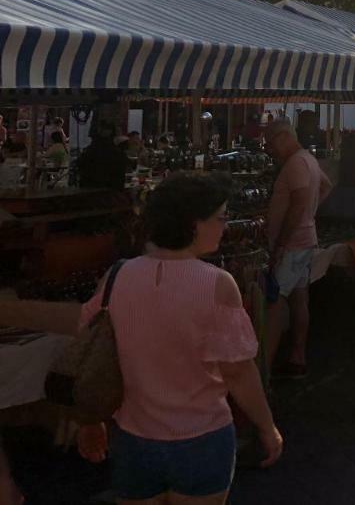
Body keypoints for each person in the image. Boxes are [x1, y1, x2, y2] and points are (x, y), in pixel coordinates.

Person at [0, 173, 283, 503]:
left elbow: (87, 334)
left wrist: (92, 420)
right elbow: (238, 371)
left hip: (135, 440)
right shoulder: (216, 284)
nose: (225, 225)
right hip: (200, 439)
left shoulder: (120, 274)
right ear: (194, 223)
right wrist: (267, 426)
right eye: (220, 217)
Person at [264, 117, 332, 378]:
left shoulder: (295, 163)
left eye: (271, 143)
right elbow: (325, 186)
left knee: (275, 303)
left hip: (292, 244)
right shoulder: (308, 159)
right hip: (304, 239)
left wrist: (281, 242)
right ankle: (297, 357)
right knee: (299, 300)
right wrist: (310, 214)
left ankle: (264, 370)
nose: (271, 149)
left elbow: (299, 200)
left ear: (283, 137)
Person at [76, 123, 128, 190]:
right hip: (110, 193)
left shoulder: (90, 150)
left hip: (88, 192)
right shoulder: (116, 153)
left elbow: (79, 164)